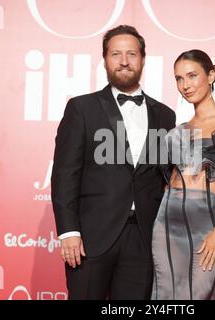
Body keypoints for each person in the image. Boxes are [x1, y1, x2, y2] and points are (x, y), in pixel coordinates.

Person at [51, 25, 176, 300]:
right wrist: (69, 231)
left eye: (131, 54)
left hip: (143, 239)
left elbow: (167, 178)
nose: (124, 61)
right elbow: (64, 174)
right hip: (90, 238)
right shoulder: (82, 108)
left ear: (143, 59)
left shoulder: (166, 115)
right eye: (115, 54)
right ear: (105, 59)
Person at [151, 49, 215, 300]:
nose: (185, 85)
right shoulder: (177, 130)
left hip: (208, 224)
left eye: (192, 76)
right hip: (167, 223)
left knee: (198, 295)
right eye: (178, 79)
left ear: (211, 75)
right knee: (164, 295)